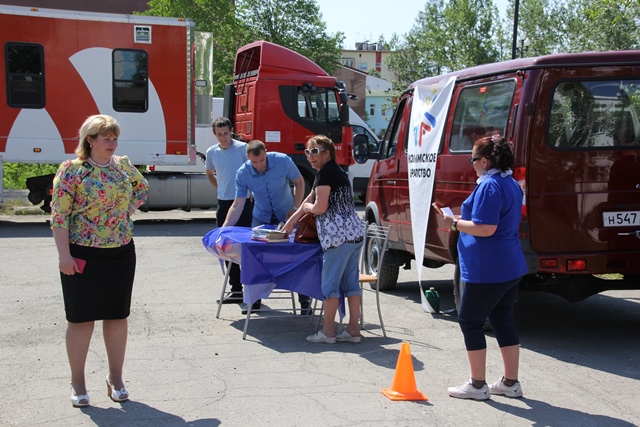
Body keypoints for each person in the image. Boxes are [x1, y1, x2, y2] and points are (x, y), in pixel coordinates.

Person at [51, 114, 149, 407]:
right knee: (81, 319)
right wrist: (64, 256)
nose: (112, 143)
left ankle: (115, 378)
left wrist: (126, 210)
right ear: (89, 140)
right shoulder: (72, 170)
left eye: (115, 137)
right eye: (106, 138)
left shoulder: (123, 165)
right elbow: (59, 215)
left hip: (120, 252)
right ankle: (78, 382)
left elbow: (142, 188)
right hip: (82, 254)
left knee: (117, 316)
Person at [441, 133, 527, 400]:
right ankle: (510, 382)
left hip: (487, 268)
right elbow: (488, 222)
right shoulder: (509, 182)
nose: (471, 163)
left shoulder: (490, 185)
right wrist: (459, 218)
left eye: (473, 158)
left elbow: (486, 228)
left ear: (486, 161)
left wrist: (453, 223)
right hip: (508, 265)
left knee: (470, 320)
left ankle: (478, 385)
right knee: (502, 319)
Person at [282, 135, 365, 343]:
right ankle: (353, 330)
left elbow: (318, 207)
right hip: (354, 235)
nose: (310, 156)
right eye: (308, 152)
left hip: (337, 239)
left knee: (330, 286)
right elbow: (308, 200)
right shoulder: (335, 172)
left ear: (327, 153)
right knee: (352, 285)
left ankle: (328, 332)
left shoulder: (325, 175)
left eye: (315, 151)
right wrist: (291, 222)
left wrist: (309, 210)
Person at [222, 140, 308, 313]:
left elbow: (299, 182)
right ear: (248, 158)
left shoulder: (282, 160)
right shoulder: (242, 173)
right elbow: (237, 205)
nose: (259, 165)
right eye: (254, 162)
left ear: (266, 153)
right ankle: (255, 300)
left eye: (262, 160)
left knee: (298, 256)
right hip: (261, 218)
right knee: (255, 258)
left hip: (287, 215)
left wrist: (295, 208)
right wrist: (223, 229)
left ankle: (304, 302)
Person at [205, 117, 253, 304]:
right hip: (224, 203)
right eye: (219, 134)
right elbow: (209, 173)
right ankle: (235, 289)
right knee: (225, 246)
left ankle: (250, 288)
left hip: (243, 203)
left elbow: (252, 170)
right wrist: (220, 188)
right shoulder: (212, 152)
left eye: (226, 133)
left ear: (231, 131)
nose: (223, 138)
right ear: (214, 134)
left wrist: (250, 192)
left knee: (246, 246)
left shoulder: (242, 148)